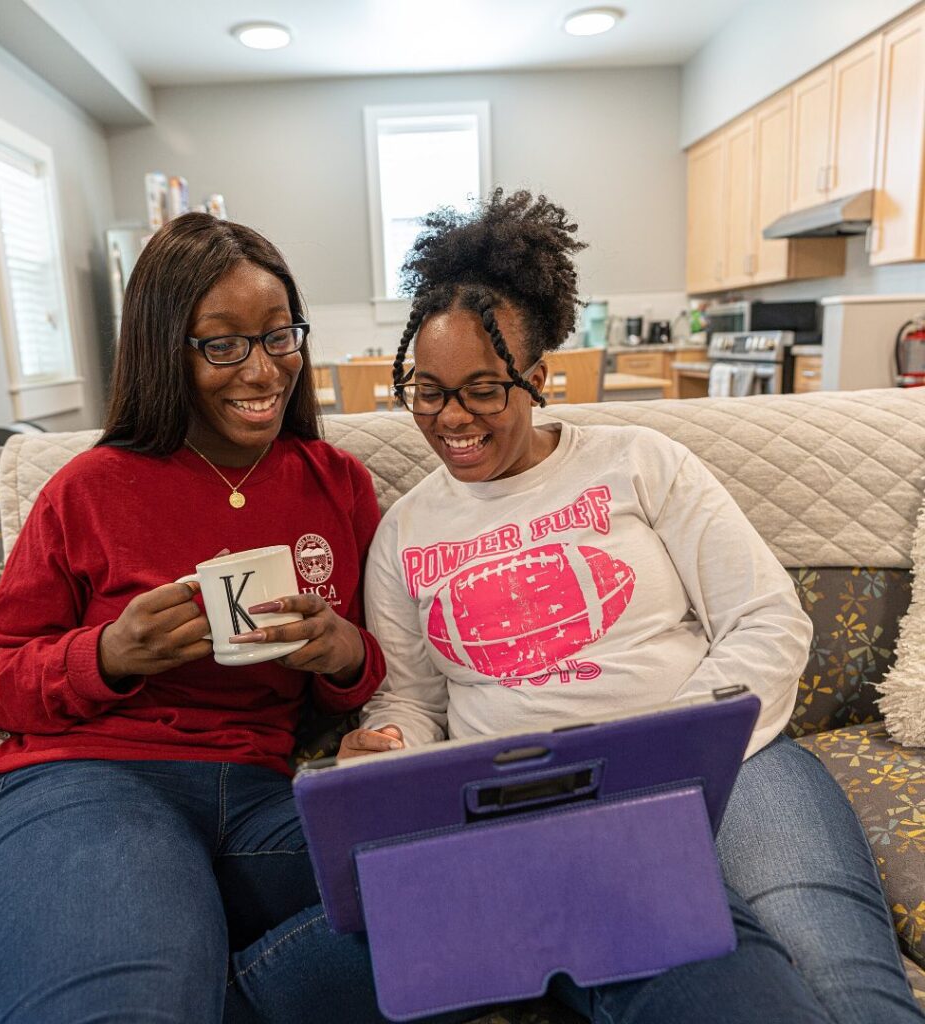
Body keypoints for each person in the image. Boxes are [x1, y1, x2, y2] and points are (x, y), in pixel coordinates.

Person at [332, 189, 924, 1024]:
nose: (450, 419)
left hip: (734, 761)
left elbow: (767, 618)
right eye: (425, 391)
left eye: (482, 391)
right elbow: (415, 698)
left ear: (538, 379)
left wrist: (671, 750)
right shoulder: (404, 533)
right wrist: (389, 743)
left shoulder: (641, 462)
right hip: (546, 808)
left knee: (839, 971)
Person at [0, 212, 386, 1024]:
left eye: (279, 336)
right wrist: (108, 654)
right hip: (91, 782)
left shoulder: (337, 484)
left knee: (479, 897)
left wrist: (340, 653)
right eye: (223, 344)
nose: (263, 370)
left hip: (264, 798)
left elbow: (357, 683)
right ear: (163, 348)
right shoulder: (89, 488)